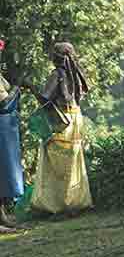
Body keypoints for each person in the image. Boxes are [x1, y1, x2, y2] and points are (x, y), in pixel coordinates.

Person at [28, 42, 93, 215]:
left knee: (56, 165)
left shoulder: (57, 74)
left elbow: (45, 99)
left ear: (57, 57)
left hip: (60, 122)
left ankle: (56, 205)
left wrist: (30, 87)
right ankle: (74, 202)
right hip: (75, 119)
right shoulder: (76, 75)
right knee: (73, 162)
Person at [0, 40, 24, 234]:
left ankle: (3, 217)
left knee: (4, 173)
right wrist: (16, 88)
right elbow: (3, 102)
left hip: (6, 128)